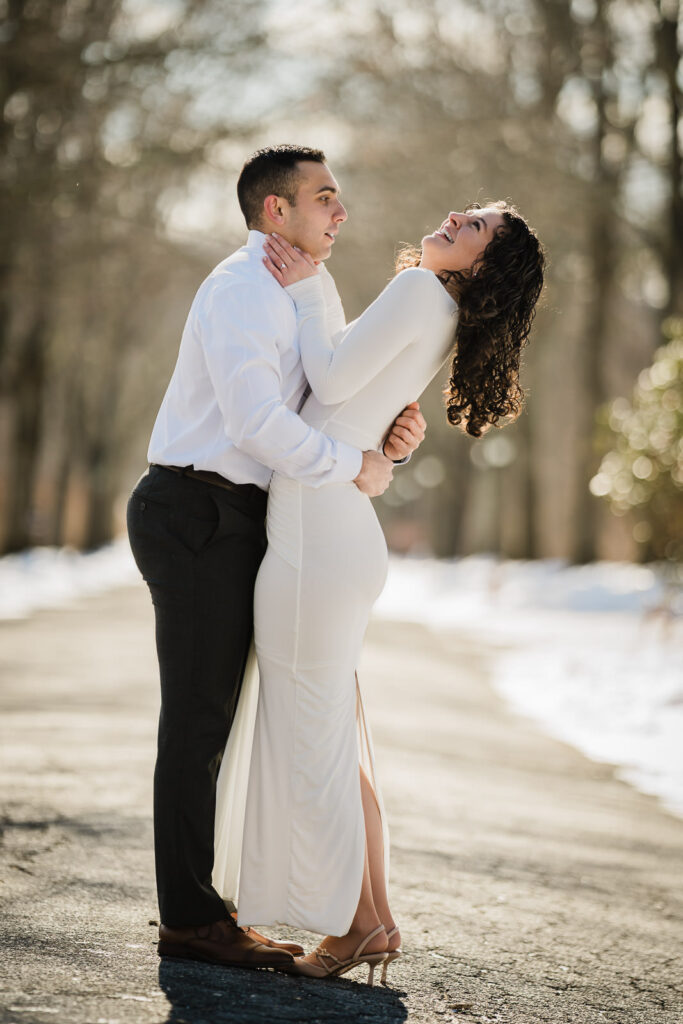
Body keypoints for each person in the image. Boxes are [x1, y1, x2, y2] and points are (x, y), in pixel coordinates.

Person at [212, 201, 546, 984]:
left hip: (317, 536)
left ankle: (360, 921)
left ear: (482, 266)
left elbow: (325, 377)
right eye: (466, 211)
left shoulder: (415, 291)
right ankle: (375, 921)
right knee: (331, 735)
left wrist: (306, 288)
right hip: (338, 537)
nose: (456, 218)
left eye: (475, 229)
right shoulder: (438, 308)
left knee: (314, 735)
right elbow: (352, 401)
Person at [126, 145, 427, 972]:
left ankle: (208, 907)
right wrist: (356, 468)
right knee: (196, 723)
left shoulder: (294, 293)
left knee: (220, 721)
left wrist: (385, 441)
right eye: (324, 197)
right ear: (275, 212)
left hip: (241, 515)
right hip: (194, 511)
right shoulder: (238, 291)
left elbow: (320, 405)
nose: (341, 212)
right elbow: (260, 425)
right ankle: (190, 919)